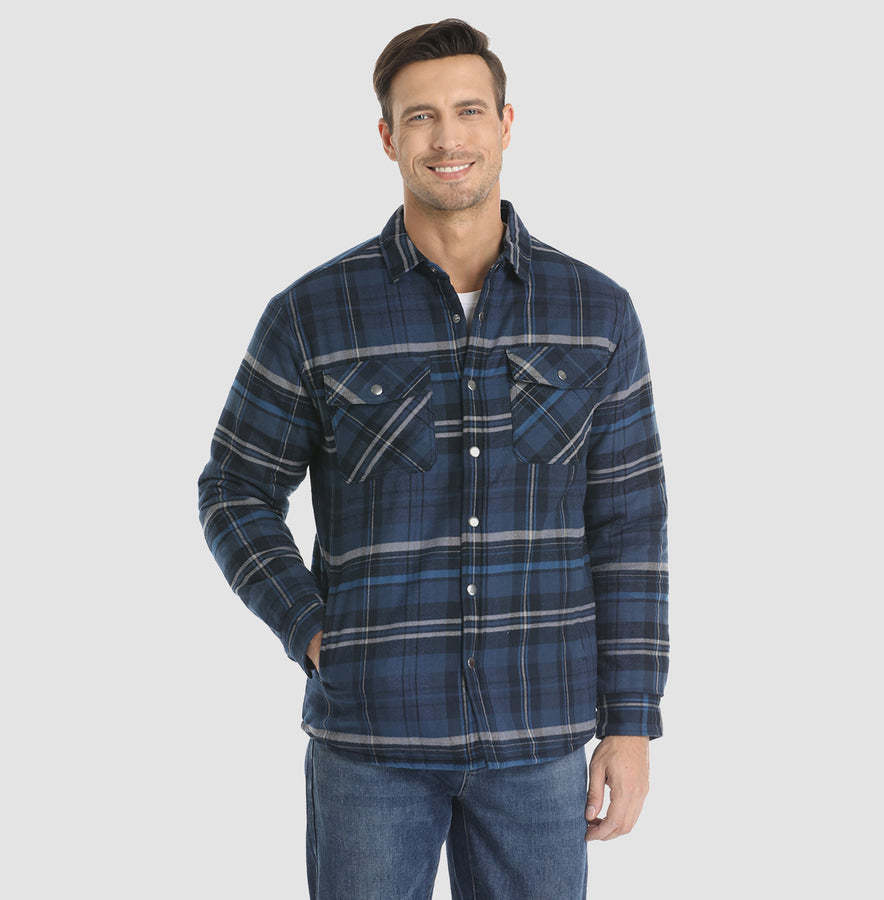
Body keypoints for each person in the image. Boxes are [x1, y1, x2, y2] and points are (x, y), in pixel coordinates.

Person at [197, 17, 669, 899]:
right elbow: (234, 488)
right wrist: (311, 627)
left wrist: (632, 721)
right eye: (420, 117)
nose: (447, 139)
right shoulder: (313, 314)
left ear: (506, 124)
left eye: (468, 111)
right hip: (372, 738)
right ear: (387, 137)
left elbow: (629, 523)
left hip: (539, 736)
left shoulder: (595, 312)